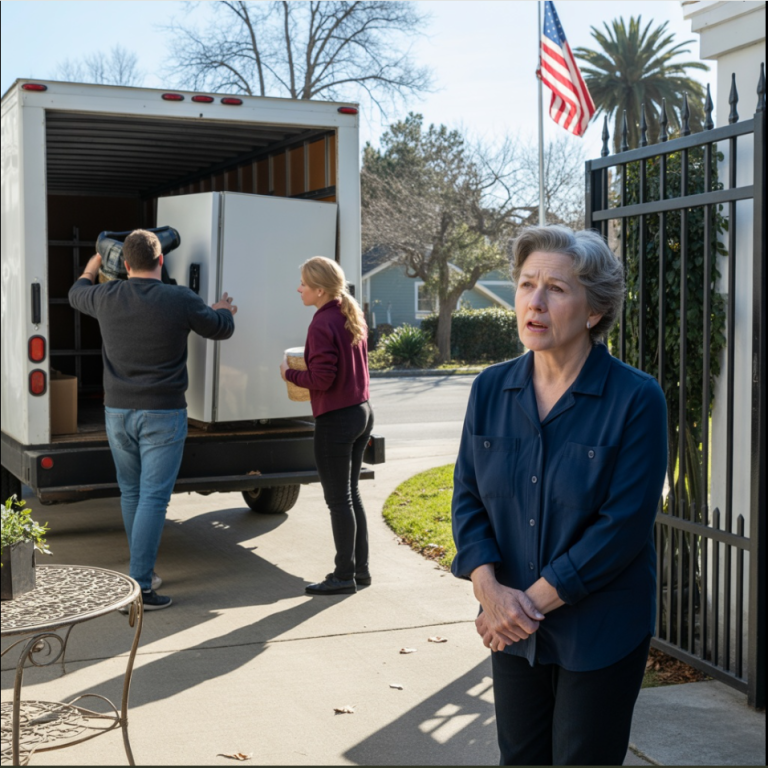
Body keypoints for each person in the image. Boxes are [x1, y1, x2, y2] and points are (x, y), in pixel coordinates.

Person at [451, 225, 668, 766]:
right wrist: (490, 592)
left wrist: (523, 605)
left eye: (557, 288)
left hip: (599, 629)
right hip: (514, 626)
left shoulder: (636, 398)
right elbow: (467, 497)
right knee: (519, 758)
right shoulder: (490, 388)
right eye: (526, 285)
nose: (536, 302)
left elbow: (622, 527)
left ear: (594, 311)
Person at [69, 230, 237, 610]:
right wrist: (224, 307)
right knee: (154, 498)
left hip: (117, 413)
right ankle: (140, 586)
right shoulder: (180, 299)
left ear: (124, 265)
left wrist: (93, 265)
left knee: (132, 493)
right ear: (161, 261)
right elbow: (220, 328)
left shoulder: (104, 296)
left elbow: (75, 292)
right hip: (163, 413)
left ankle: (142, 574)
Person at [280, 256, 373, 596]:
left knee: (339, 501)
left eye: (303, 283)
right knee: (351, 495)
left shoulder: (321, 324)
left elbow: (321, 378)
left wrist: (288, 373)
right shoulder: (350, 314)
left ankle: (342, 576)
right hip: (362, 411)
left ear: (319, 289)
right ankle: (359, 571)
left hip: (336, 419)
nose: (299, 288)